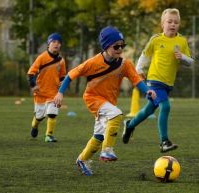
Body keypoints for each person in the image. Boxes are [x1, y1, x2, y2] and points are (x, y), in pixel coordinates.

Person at [54, 26, 156, 176]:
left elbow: (136, 80)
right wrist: (60, 93)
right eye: (116, 46)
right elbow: (70, 75)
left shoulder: (125, 64)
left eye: (122, 45)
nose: (120, 48)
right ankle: (107, 150)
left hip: (108, 103)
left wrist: (147, 91)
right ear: (106, 46)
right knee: (116, 114)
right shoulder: (92, 63)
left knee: (99, 136)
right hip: (92, 98)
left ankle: (82, 160)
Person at [122, 8, 194, 153]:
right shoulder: (156, 40)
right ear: (162, 24)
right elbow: (144, 55)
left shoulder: (181, 41)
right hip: (154, 81)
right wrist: (139, 71)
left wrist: (183, 58)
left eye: (176, 22)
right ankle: (164, 141)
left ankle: (130, 124)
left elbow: (190, 61)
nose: (172, 24)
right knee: (165, 106)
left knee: (149, 110)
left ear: (179, 25)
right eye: (169, 21)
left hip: (168, 83)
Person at [27, 32, 66, 142]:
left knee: (52, 114)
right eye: (53, 42)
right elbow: (30, 73)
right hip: (40, 93)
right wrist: (33, 85)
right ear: (48, 44)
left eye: (58, 42)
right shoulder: (41, 58)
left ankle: (49, 135)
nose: (56, 44)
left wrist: (62, 89)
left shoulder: (61, 61)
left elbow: (63, 76)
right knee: (39, 117)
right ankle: (35, 125)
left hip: (54, 92)